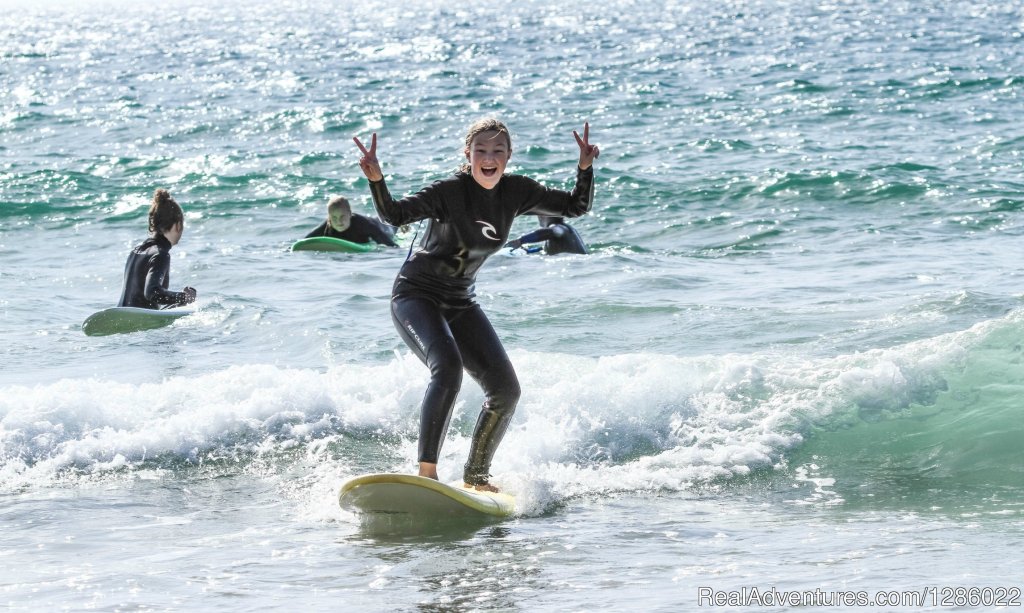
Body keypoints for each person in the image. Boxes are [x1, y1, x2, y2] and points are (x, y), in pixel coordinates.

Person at [354, 118, 599, 492]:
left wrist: (584, 168)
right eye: (481, 150)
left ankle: (477, 477)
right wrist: (376, 178)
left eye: (498, 151)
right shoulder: (449, 191)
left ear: (508, 157)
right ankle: (426, 475)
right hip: (415, 295)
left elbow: (575, 206)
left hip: (461, 301)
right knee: (447, 368)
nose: (489, 158)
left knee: (505, 390)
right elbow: (395, 215)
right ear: (467, 155)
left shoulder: (517, 191)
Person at [117, 189, 197, 309]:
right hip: (139, 322)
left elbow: (140, 300)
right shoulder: (160, 254)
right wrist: (184, 297)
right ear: (178, 225)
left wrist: (181, 302)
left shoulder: (135, 251)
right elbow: (152, 293)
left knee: (182, 305)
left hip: (121, 314)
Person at [305, 195, 399, 247]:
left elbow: (391, 245)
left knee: (392, 222)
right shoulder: (328, 225)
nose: (339, 221)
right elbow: (306, 241)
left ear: (350, 214)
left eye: (342, 216)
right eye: (334, 218)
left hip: (381, 226)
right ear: (329, 217)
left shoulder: (363, 225)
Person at [505, 215, 588, 255]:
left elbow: (554, 232)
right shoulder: (569, 229)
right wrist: (529, 251)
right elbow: (548, 249)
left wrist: (521, 240)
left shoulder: (559, 227)